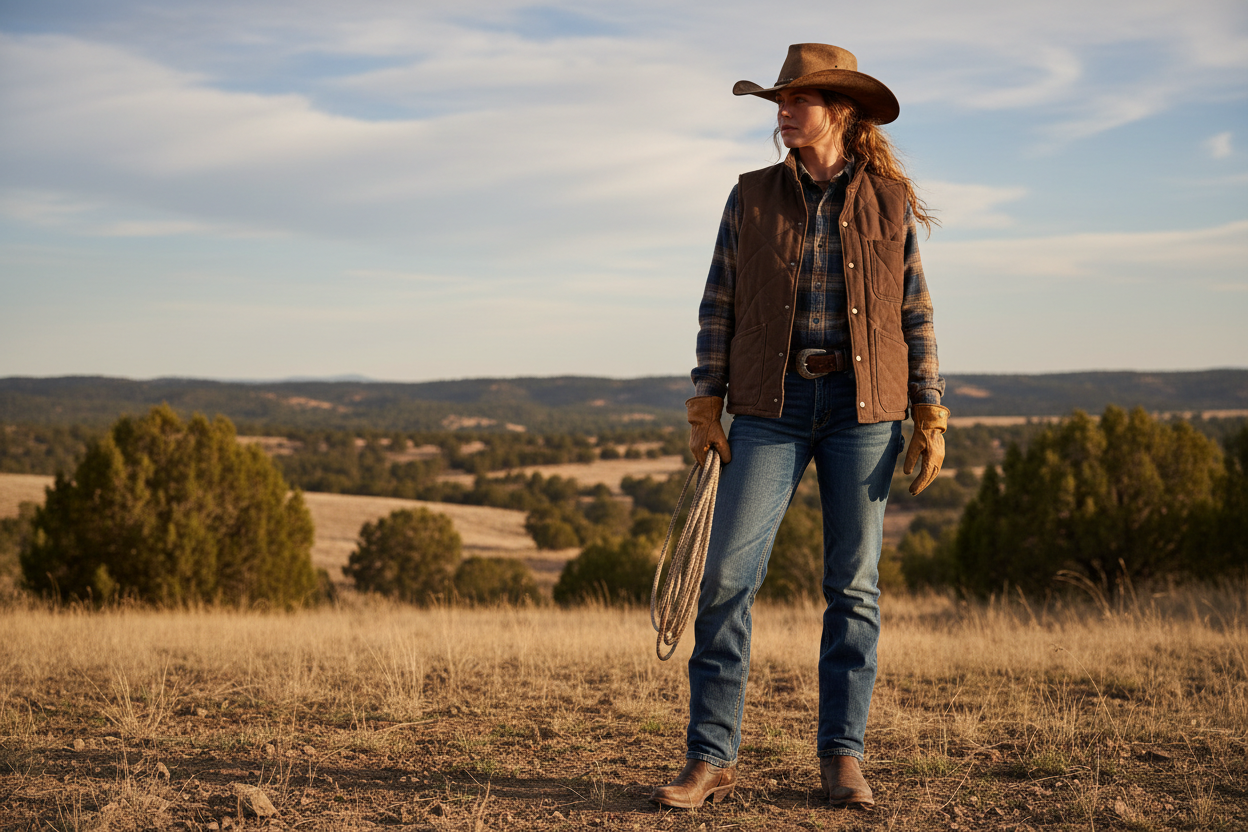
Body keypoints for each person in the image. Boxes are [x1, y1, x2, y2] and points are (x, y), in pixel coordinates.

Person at [650, 43, 949, 811]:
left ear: (839, 111)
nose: (782, 112)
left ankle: (842, 759)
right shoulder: (750, 196)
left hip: (865, 411)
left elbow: (915, 312)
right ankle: (709, 757)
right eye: (779, 101)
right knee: (724, 582)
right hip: (768, 405)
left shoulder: (888, 199)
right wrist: (703, 402)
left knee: (853, 589)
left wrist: (929, 409)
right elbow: (718, 302)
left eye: (797, 100)